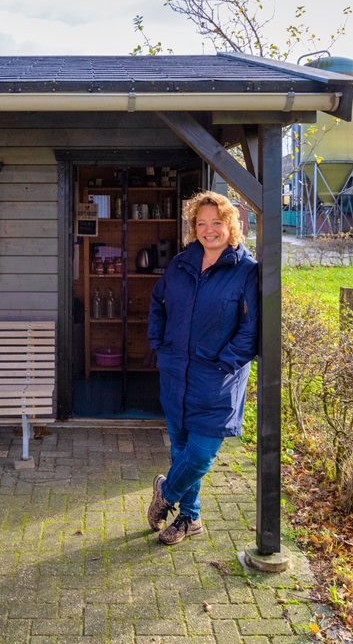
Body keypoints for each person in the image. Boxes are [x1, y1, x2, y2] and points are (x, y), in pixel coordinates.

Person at [146, 190, 259, 544]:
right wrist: (160, 346)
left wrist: (225, 363)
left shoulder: (246, 271)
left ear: (231, 226)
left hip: (218, 379)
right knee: (180, 449)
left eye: (217, 222)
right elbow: (157, 306)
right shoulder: (180, 265)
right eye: (201, 223)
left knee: (199, 454)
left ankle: (165, 493)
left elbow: (251, 329)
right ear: (194, 228)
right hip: (177, 373)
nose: (209, 230)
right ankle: (188, 519)